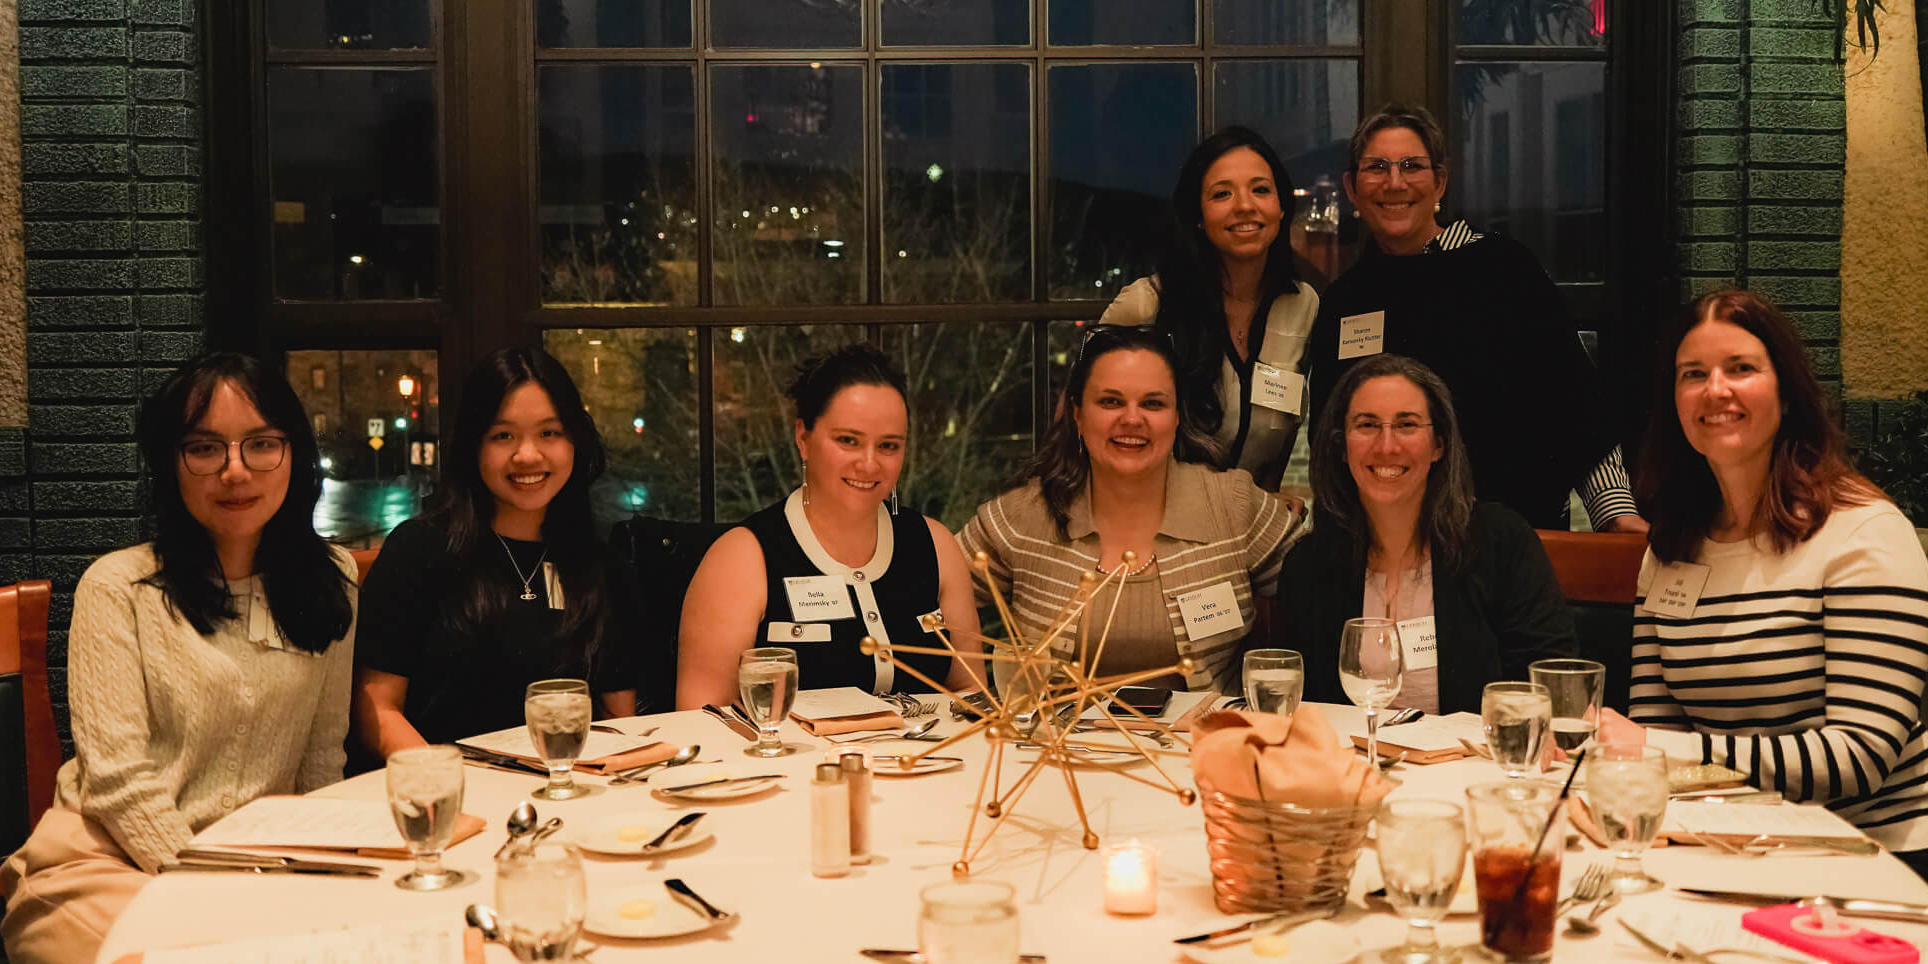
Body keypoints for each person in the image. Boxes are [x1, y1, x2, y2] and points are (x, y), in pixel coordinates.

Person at [0, 354, 357, 964]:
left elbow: (320, 759)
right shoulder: (119, 587)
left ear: (293, 454)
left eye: (261, 445)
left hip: (257, 875)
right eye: (204, 448)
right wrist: (221, 894)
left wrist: (313, 876)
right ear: (172, 464)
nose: (235, 470)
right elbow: (118, 785)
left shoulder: (333, 580)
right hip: (103, 867)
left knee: (334, 951)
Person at [1614, 288, 1928, 920]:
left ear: (1787, 390)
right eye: (1693, 375)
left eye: (1741, 369)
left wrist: (1671, 753)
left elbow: (1860, 757)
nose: (1715, 390)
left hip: (1878, 862)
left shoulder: (1864, 533)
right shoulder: (1671, 546)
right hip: (1732, 853)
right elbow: (1656, 728)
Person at [1312, 103, 1643, 534]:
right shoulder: (1345, 301)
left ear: (1440, 183)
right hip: (1387, 548)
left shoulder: (1505, 269)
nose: (1394, 183)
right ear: (1352, 188)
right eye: (1377, 167)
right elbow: (1331, 435)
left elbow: (1575, 396)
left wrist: (1616, 514)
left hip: (1515, 540)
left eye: (1412, 166)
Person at [959, 326, 1302, 692]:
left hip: (1204, 744)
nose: (1132, 419)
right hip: (1051, 747)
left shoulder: (1232, 505)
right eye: (1110, 402)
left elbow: (1332, 586)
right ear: (1077, 415)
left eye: (1153, 403)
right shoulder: (1024, 516)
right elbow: (925, 592)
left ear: (1176, 417)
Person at [355, 347, 638, 756]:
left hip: (565, 798)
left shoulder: (604, 568)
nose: (527, 455)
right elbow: (376, 707)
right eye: (503, 436)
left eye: (549, 433)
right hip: (451, 798)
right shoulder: (420, 552)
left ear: (575, 441)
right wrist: (442, 786)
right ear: (474, 446)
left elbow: (617, 723)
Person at [678, 344, 984, 707]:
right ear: (803, 438)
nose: (869, 464)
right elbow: (701, 719)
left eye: (888, 446)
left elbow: (973, 696)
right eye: (848, 441)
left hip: (927, 761)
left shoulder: (935, 544)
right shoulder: (742, 557)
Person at [1281, 355, 1576, 712]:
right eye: (1367, 425)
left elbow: (1551, 686)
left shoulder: (1502, 543)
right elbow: (1300, 711)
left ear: (1439, 444)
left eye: (1406, 425)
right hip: (1351, 765)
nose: (1386, 446)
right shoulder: (1308, 565)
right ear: (1341, 445)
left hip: (1473, 764)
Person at [1101, 126, 1318, 501]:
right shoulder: (1146, 304)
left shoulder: (1303, 305)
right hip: (1152, 529)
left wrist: (1267, 500)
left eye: (1260, 189)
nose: (1245, 205)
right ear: (1198, 215)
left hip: (1249, 536)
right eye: (1222, 194)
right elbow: (1080, 424)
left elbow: (1278, 439)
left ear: (1282, 207)